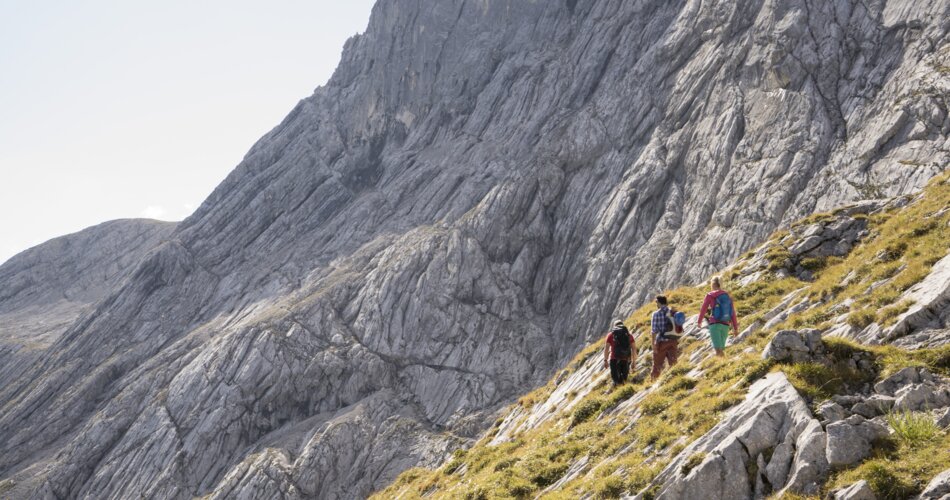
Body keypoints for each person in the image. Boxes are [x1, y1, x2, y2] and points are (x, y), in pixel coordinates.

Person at [698, 276, 739, 357]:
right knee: (721, 350)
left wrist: (699, 321)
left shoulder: (710, 295)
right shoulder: (727, 295)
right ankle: (724, 365)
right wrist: (735, 328)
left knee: (718, 351)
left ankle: (724, 366)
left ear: (712, 284)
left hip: (715, 324)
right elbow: (732, 313)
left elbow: (703, 309)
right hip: (725, 326)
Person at [651, 295, 679, 380]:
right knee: (673, 363)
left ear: (659, 302)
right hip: (673, 340)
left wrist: (653, 344)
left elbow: (654, 331)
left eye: (656, 302)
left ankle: (652, 383)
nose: (656, 304)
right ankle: (675, 380)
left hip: (661, 342)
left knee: (657, 365)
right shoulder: (673, 312)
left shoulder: (656, 314)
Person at [603, 320, 636, 386]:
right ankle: (624, 390)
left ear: (615, 326)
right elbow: (634, 349)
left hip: (614, 359)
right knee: (624, 379)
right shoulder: (629, 335)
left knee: (616, 380)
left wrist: (605, 360)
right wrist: (634, 361)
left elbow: (606, 349)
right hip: (626, 359)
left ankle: (618, 389)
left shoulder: (611, 335)